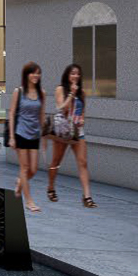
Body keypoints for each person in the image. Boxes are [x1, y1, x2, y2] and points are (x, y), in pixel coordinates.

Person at [46, 64, 96, 208]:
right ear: (67, 75)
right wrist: (71, 94)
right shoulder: (60, 89)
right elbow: (61, 108)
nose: (75, 76)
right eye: (73, 73)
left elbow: (82, 110)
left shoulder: (82, 92)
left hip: (78, 132)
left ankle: (87, 197)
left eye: (78, 74)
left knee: (83, 163)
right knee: (56, 162)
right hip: (63, 131)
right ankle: (51, 187)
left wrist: (82, 118)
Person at [9, 62, 46, 213]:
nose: (36, 75)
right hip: (21, 133)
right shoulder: (19, 91)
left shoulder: (41, 93)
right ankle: (29, 201)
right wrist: (12, 136)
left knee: (33, 169)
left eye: (38, 73)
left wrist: (43, 137)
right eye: (33, 73)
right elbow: (12, 113)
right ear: (26, 75)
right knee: (24, 168)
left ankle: (19, 183)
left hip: (35, 134)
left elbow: (42, 115)